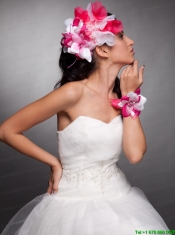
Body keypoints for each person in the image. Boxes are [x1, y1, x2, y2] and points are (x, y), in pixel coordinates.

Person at [0, 1, 170, 234]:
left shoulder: (121, 95)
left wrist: (130, 99)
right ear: (102, 49)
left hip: (121, 196)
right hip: (72, 206)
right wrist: (53, 162)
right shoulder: (72, 92)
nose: (131, 41)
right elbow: (7, 130)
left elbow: (135, 155)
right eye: (121, 36)